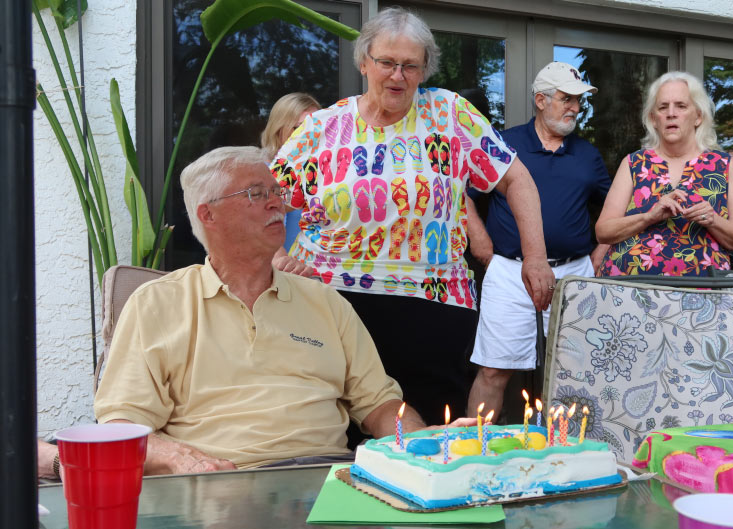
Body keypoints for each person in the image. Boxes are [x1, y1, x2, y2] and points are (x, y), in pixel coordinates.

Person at [94, 146, 467, 474]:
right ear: (208, 215)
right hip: (219, 483)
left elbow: (380, 404)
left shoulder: (324, 302)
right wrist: (180, 460)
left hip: (326, 477)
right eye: (257, 193)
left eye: (277, 191)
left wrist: (421, 441)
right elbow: (122, 426)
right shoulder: (157, 303)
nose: (278, 203)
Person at [269, 7, 554, 425]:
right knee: (335, 429)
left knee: (428, 432)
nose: (397, 76)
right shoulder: (324, 127)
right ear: (365, 63)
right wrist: (275, 256)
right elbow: (264, 198)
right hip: (332, 301)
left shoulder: (450, 115)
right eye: (386, 62)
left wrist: (535, 257)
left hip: (432, 303)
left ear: (424, 71)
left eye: (410, 66)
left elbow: (517, 180)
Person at [466, 62, 611, 417]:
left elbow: (616, 210)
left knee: (579, 373)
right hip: (510, 272)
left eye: (578, 100)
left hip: (574, 274)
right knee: (494, 369)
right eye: (566, 98)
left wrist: (598, 256)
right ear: (541, 100)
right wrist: (479, 240)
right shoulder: (503, 142)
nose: (574, 108)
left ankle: (571, 457)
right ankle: (473, 450)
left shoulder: (588, 155)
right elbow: (463, 192)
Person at [596, 71, 733, 276]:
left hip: (703, 293)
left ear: (698, 116)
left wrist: (713, 220)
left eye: (681, 106)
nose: (671, 113)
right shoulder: (633, 163)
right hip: (628, 291)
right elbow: (603, 232)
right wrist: (648, 217)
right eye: (663, 107)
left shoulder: (725, 165)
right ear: (653, 119)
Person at [260, 92, 321, 254]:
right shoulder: (260, 174)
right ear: (279, 130)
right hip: (280, 272)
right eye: (301, 128)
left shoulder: (330, 173)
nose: (311, 135)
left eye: (317, 128)